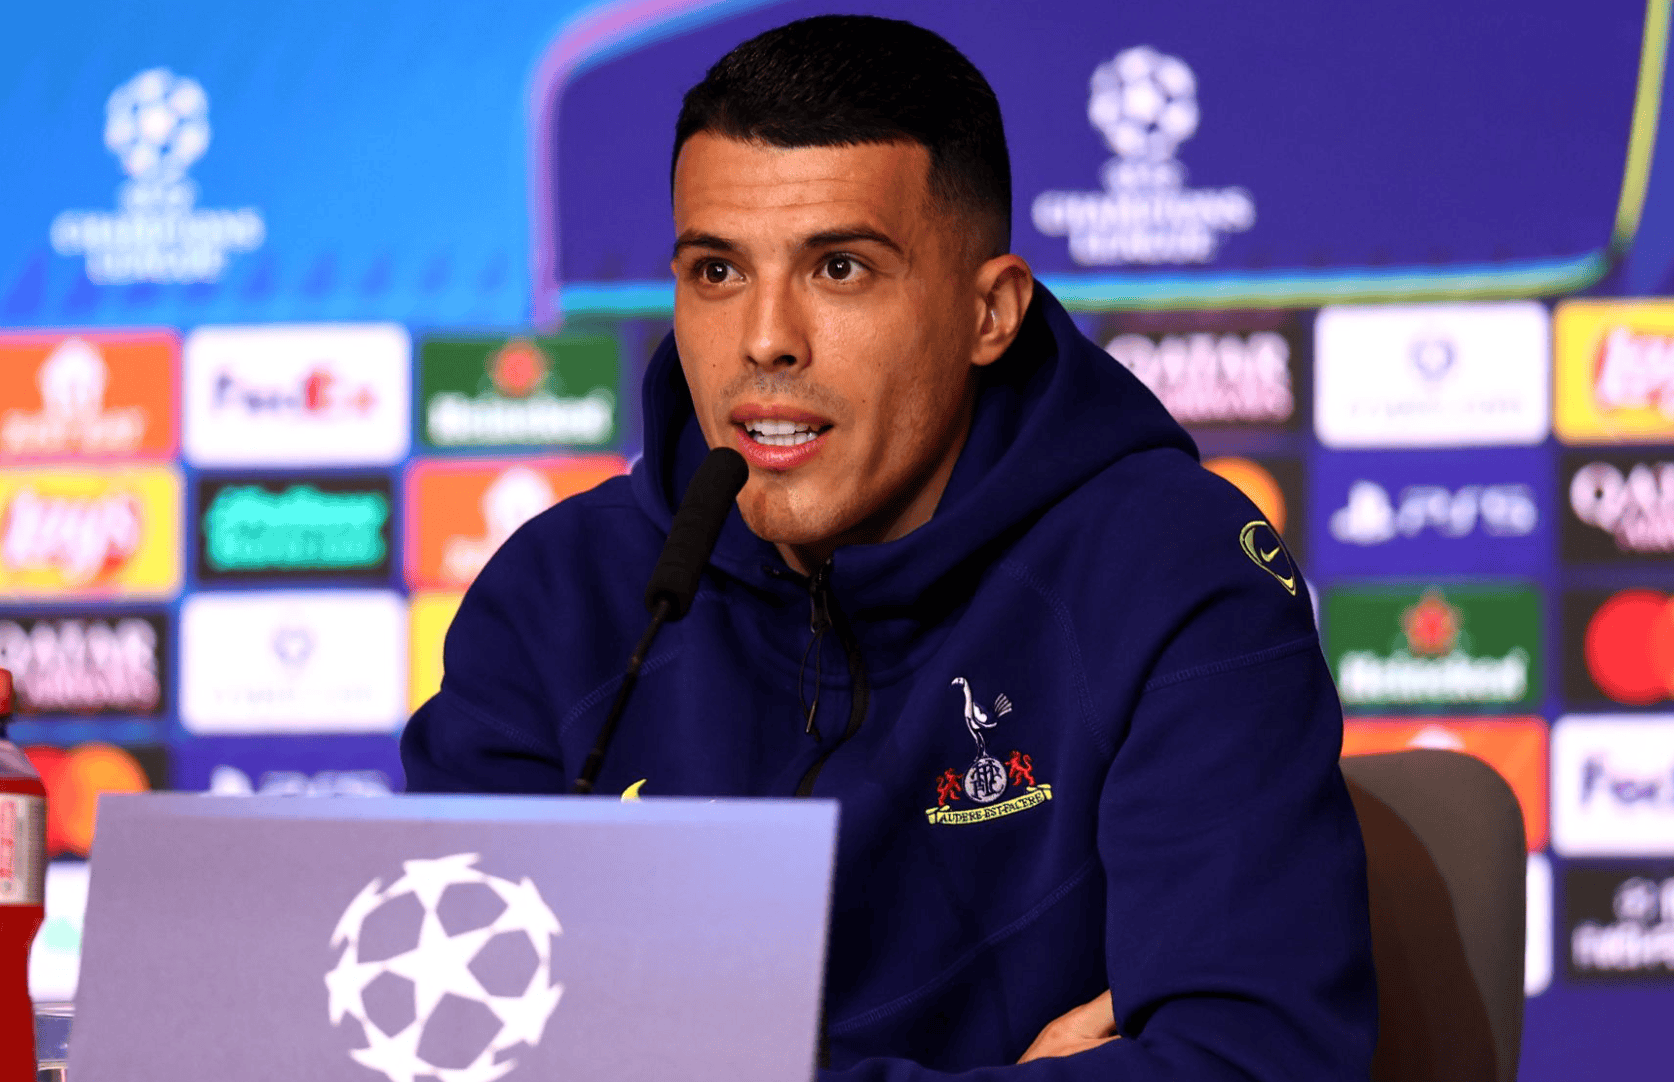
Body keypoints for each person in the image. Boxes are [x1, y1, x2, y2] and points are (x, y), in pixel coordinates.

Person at [402, 14, 1376, 1079]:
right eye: (717, 272)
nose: (765, 339)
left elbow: (1256, 1059)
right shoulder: (561, 598)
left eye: (840, 268)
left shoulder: (1170, 573)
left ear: (989, 312)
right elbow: (434, 1040)